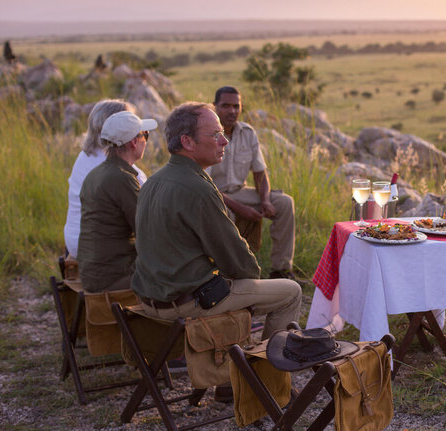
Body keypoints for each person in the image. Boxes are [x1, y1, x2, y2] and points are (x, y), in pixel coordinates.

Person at [132, 101, 302, 342]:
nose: (225, 141)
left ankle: (239, 360)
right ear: (187, 142)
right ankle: (265, 370)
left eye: (223, 133)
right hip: (185, 304)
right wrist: (250, 274)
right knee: (291, 292)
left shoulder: (153, 181)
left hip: (151, 300)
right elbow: (240, 263)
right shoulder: (197, 187)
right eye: (216, 135)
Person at [208, 86, 296, 279]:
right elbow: (205, 184)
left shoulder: (247, 133)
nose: (231, 111)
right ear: (215, 107)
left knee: (284, 203)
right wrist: (240, 208)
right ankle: (230, 276)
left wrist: (265, 199)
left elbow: (260, 173)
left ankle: (281, 270)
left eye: (236, 106)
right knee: (227, 214)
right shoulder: (208, 134)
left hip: (240, 191)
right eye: (225, 106)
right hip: (213, 195)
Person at [77, 111, 157, 292]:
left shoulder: (95, 174)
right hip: (114, 277)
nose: (146, 140)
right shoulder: (121, 178)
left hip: (94, 274)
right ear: (133, 142)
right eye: (145, 135)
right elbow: (149, 232)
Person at [63, 99, 147, 258]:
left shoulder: (85, 156)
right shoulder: (116, 167)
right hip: (95, 248)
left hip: (74, 240)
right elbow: (145, 214)